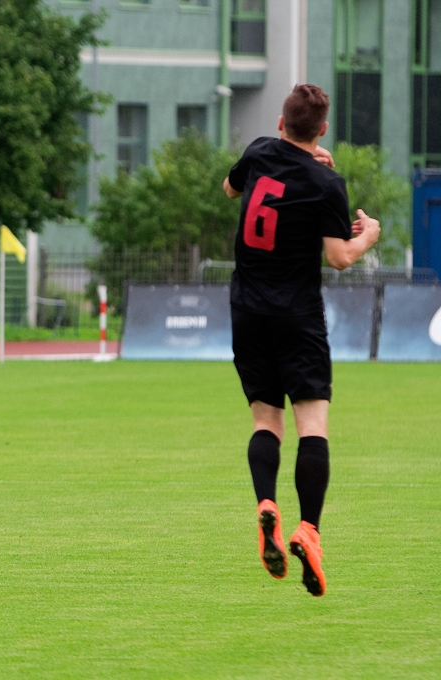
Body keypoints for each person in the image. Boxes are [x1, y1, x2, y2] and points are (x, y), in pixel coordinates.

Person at [222, 84, 380, 597]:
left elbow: (231, 190)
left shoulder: (259, 152)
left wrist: (300, 157)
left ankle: (266, 502)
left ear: (280, 121)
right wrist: (367, 236)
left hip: (247, 312)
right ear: (324, 130)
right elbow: (339, 257)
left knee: (265, 420)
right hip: (298, 318)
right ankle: (308, 530)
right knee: (312, 425)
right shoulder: (326, 183)